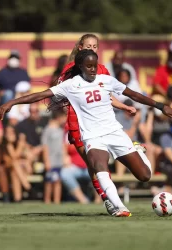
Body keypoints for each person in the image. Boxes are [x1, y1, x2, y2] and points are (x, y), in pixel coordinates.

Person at [0, 49, 172, 217]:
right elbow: (40, 95)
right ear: (80, 67)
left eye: (95, 65)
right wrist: (11, 103)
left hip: (114, 132)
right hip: (92, 137)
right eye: (89, 66)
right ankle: (119, 207)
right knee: (99, 166)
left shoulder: (106, 80)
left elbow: (134, 95)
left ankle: (137, 150)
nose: (93, 69)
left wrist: (161, 106)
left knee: (145, 176)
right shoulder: (70, 85)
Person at [57, 34, 137, 215]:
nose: (91, 49)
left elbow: (107, 95)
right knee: (92, 164)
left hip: (99, 124)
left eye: (95, 46)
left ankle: (112, 201)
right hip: (77, 122)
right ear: (80, 48)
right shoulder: (70, 69)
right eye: (88, 46)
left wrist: (124, 106)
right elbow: (61, 94)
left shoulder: (102, 70)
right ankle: (107, 198)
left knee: (99, 163)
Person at [0, 126, 33, 202]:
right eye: (8, 133)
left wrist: (25, 162)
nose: (11, 134)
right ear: (5, 135)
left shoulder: (20, 143)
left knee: (15, 170)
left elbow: (30, 155)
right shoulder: (4, 145)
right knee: (15, 165)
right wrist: (15, 145)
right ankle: (27, 187)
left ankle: (18, 198)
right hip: (6, 169)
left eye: (12, 132)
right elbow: (13, 157)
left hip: (21, 169)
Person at [41, 109, 67, 204]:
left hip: (59, 160)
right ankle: (47, 200)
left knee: (57, 181)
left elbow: (63, 145)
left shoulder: (61, 130)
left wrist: (65, 157)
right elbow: (45, 146)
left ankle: (57, 201)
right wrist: (46, 160)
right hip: (51, 160)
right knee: (49, 181)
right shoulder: (48, 130)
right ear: (59, 117)